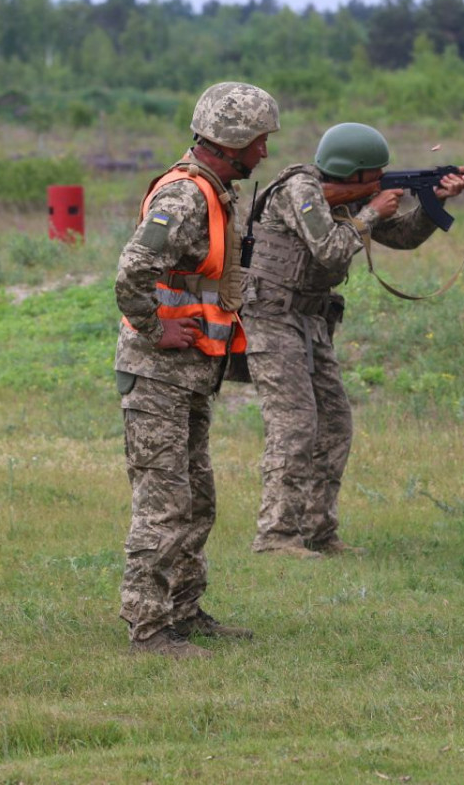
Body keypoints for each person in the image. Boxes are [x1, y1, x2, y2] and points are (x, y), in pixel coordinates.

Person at [242, 122, 464, 559]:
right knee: (294, 427)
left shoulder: (348, 194)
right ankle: (275, 538)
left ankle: (318, 532)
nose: (381, 183)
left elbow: (401, 238)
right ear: (352, 174)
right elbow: (329, 249)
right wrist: (371, 213)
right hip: (271, 315)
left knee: (334, 425)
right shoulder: (300, 191)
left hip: (312, 317)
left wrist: (433, 201)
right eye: (374, 177)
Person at [115, 81, 280, 658]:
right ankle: (149, 629)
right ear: (232, 140)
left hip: (189, 375)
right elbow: (132, 273)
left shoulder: (215, 191)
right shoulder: (184, 196)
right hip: (158, 373)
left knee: (197, 499)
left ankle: (183, 611)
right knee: (163, 504)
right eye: (259, 141)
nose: (264, 152)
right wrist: (158, 328)